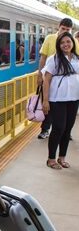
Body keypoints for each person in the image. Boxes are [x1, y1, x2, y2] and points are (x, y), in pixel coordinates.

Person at [41, 32, 79, 169]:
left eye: (68, 41)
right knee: (58, 127)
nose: (66, 44)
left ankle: (62, 157)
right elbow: (47, 79)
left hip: (74, 98)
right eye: (62, 43)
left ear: (72, 43)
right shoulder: (54, 59)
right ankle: (51, 159)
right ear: (59, 45)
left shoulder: (76, 58)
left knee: (68, 129)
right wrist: (45, 101)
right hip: (57, 99)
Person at [37, 18, 78, 139]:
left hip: (67, 83)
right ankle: (45, 129)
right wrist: (40, 75)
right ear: (58, 27)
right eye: (63, 28)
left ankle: (65, 131)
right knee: (48, 104)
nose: (64, 31)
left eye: (67, 30)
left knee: (65, 109)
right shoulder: (50, 38)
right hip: (50, 79)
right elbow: (43, 58)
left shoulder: (73, 41)